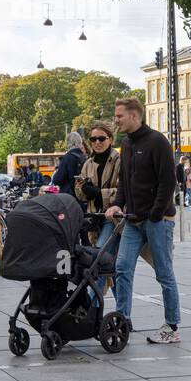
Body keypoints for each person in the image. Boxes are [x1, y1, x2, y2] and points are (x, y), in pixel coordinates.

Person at [106, 97, 181, 344]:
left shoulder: (157, 141)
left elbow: (168, 181)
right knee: (121, 268)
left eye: (119, 116)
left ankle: (172, 326)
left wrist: (156, 214)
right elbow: (124, 182)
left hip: (157, 220)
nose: (116, 120)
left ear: (134, 116)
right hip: (132, 220)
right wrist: (117, 203)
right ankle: (123, 320)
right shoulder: (126, 144)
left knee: (164, 273)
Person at [77, 121, 122, 300]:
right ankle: (123, 312)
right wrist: (84, 190)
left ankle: (92, 307)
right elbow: (79, 192)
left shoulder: (119, 161)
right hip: (95, 219)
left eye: (101, 138)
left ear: (110, 139)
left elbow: (123, 192)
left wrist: (98, 193)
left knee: (99, 260)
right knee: (109, 266)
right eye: (93, 139)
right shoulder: (88, 163)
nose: (97, 142)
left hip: (114, 219)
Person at [52, 131, 87, 203]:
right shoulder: (85, 158)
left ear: (68, 143)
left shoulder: (67, 158)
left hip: (68, 198)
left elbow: (58, 180)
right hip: (82, 196)